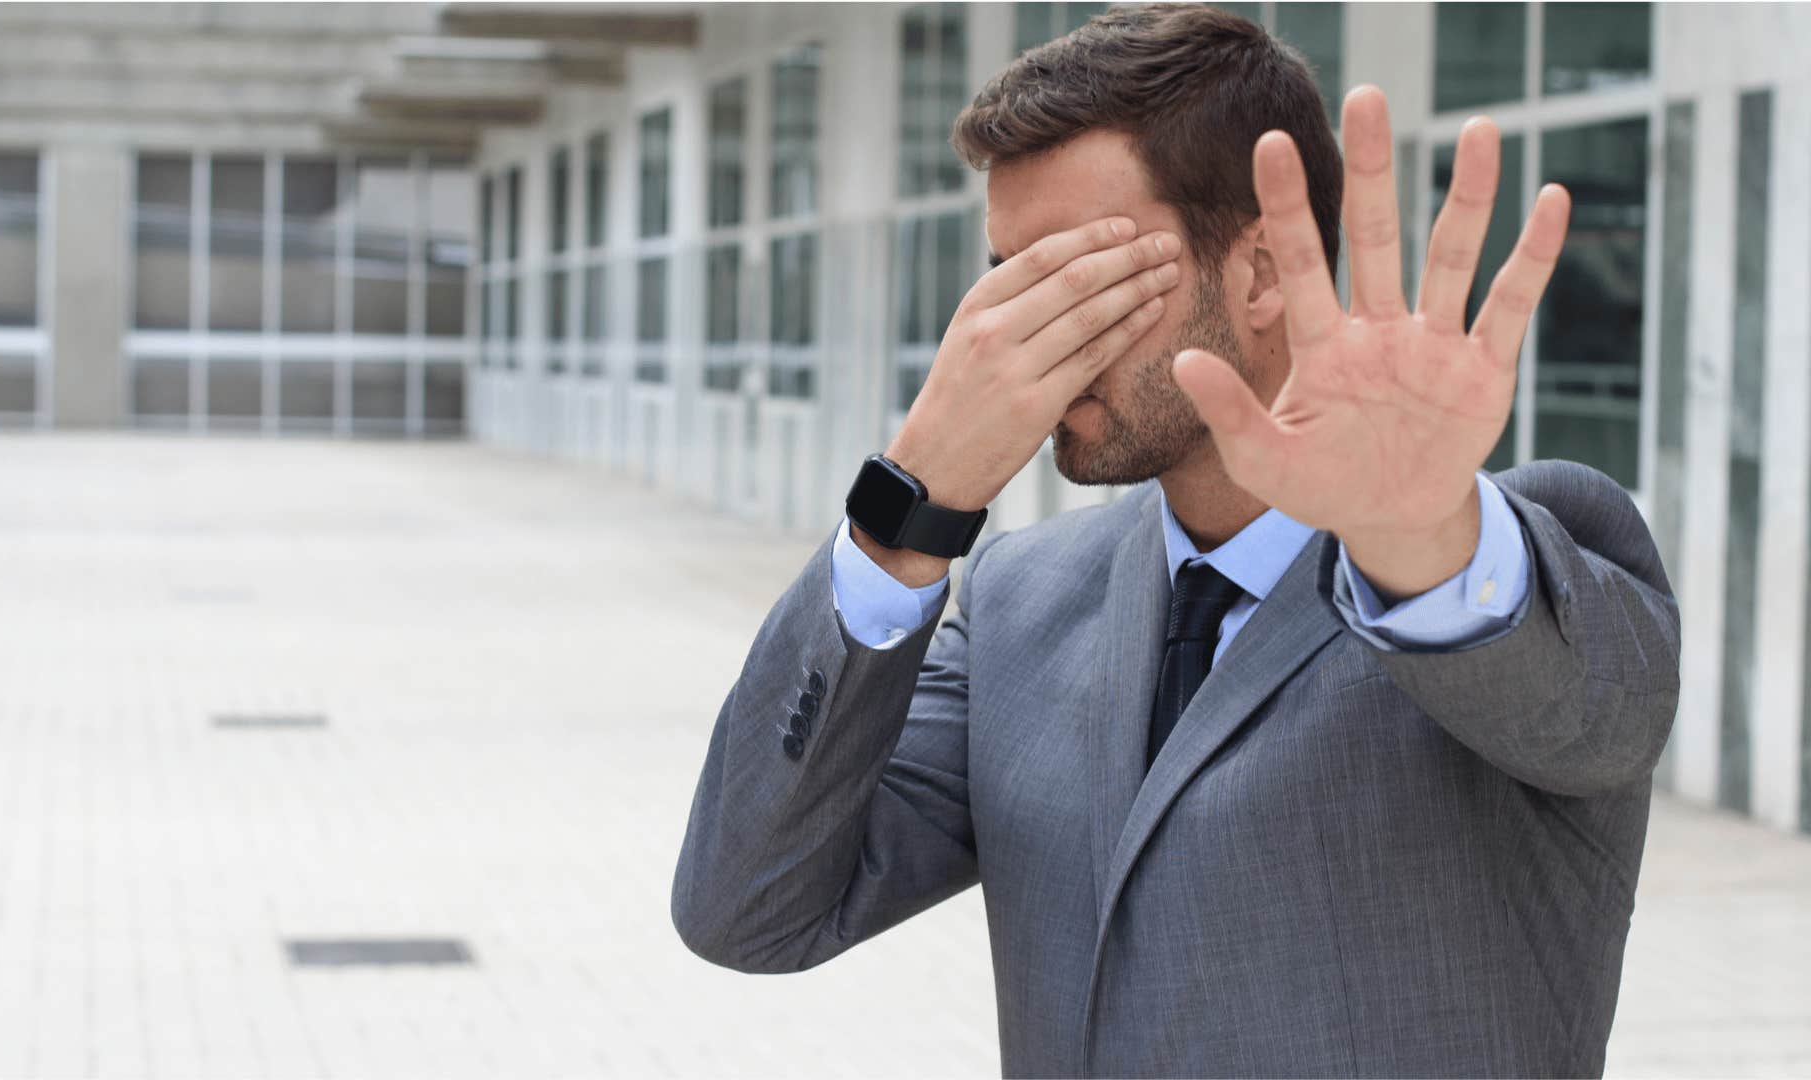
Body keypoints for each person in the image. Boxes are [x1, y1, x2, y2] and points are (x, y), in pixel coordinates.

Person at [669, 5, 1680, 1076]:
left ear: (1252, 277)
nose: (1026, 338)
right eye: (1006, 282)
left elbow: (1581, 717)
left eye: (1079, 280)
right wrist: (905, 516)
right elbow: (750, 909)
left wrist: (1416, 529)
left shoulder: (1511, 566)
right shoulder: (1022, 599)